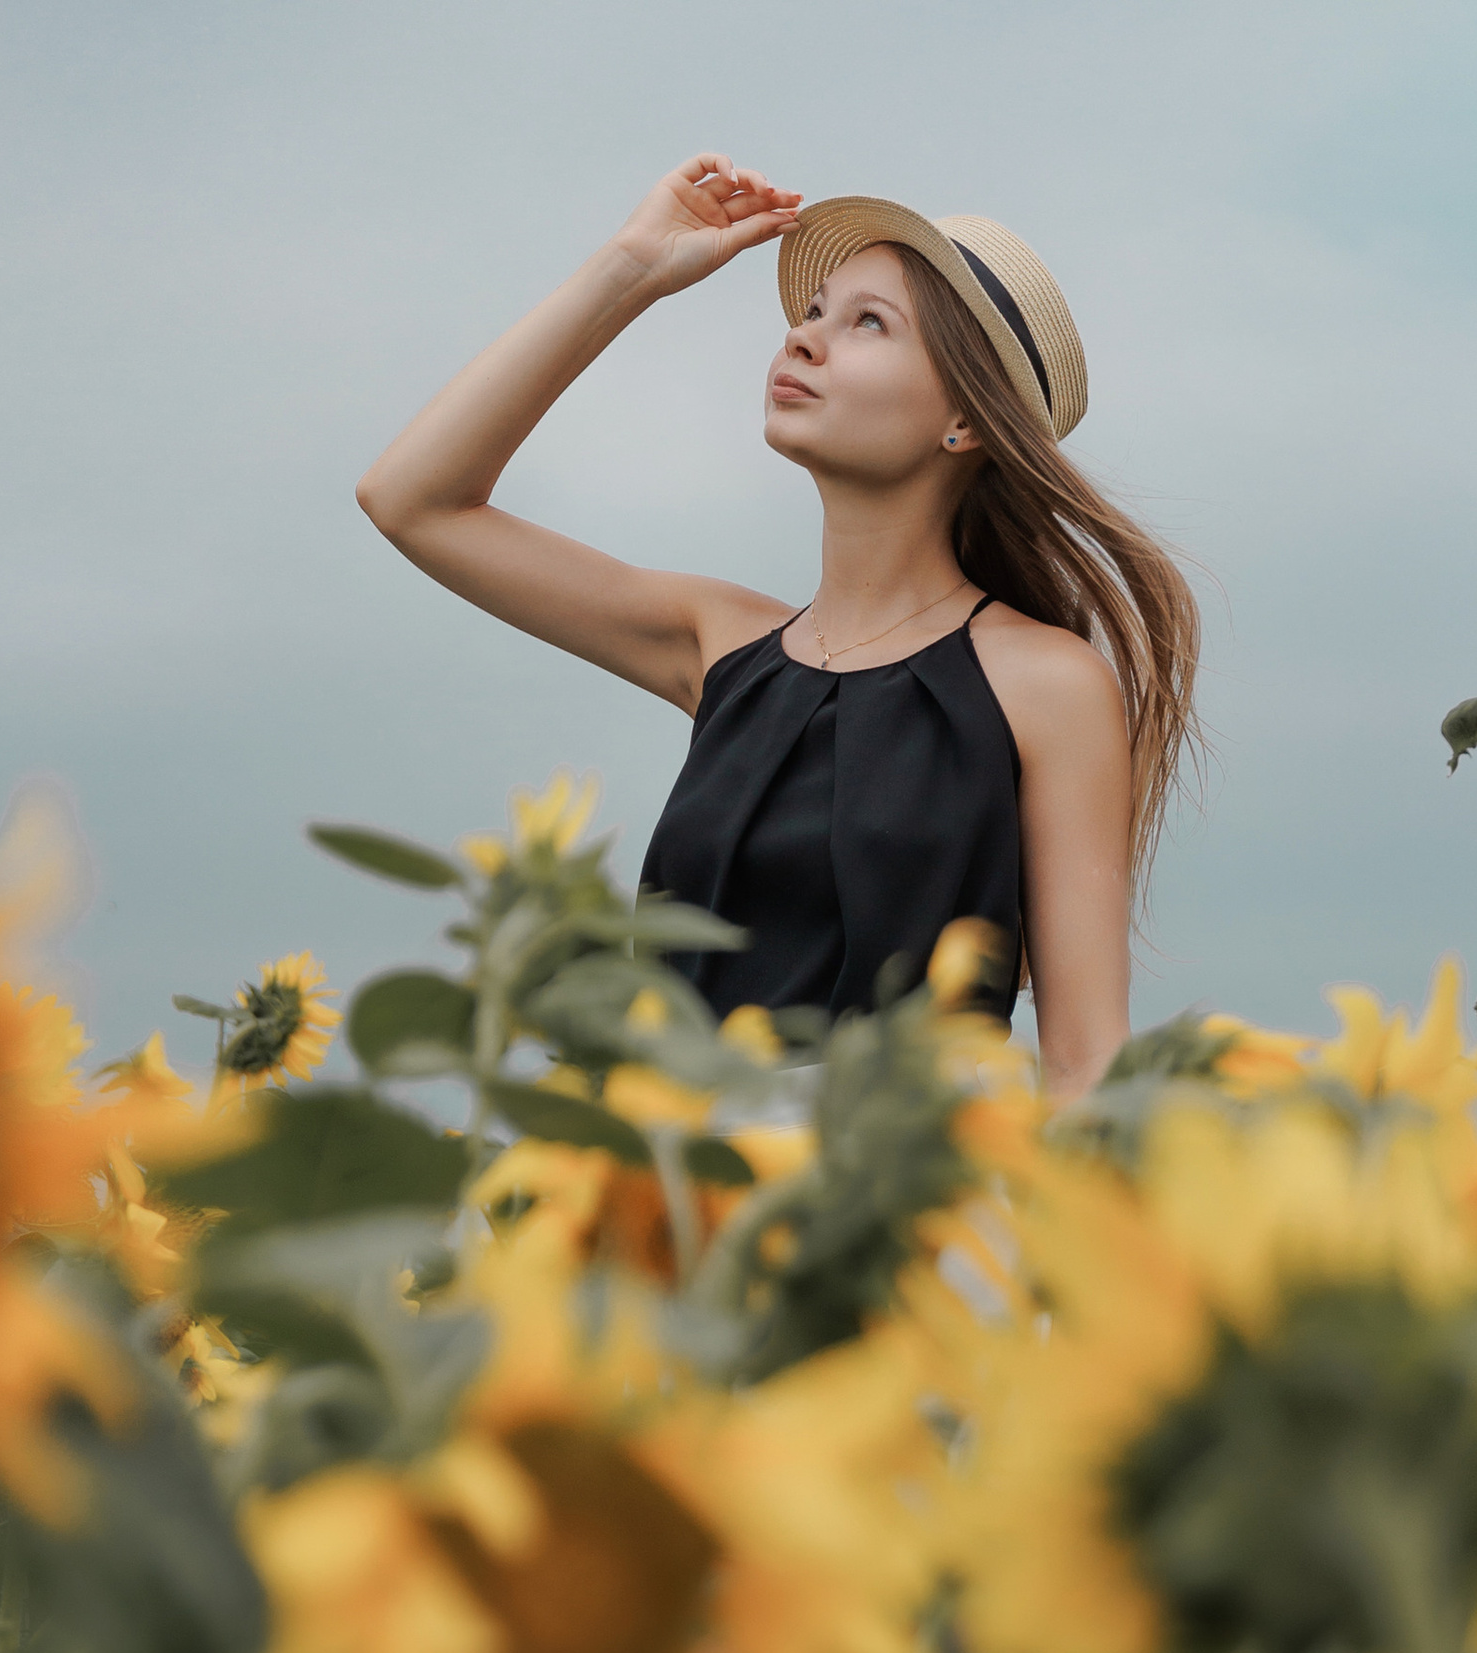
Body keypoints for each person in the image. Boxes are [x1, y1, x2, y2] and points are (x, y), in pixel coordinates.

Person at [355, 155, 1201, 1094]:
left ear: (963, 419)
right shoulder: (719, 644)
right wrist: (628, 271)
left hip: (903, 1209)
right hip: (675, 1201)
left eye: (867, 322)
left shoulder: (1046, 682)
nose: (803, 342)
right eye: (812, 312)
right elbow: (411, 500)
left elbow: (1086, 1057)